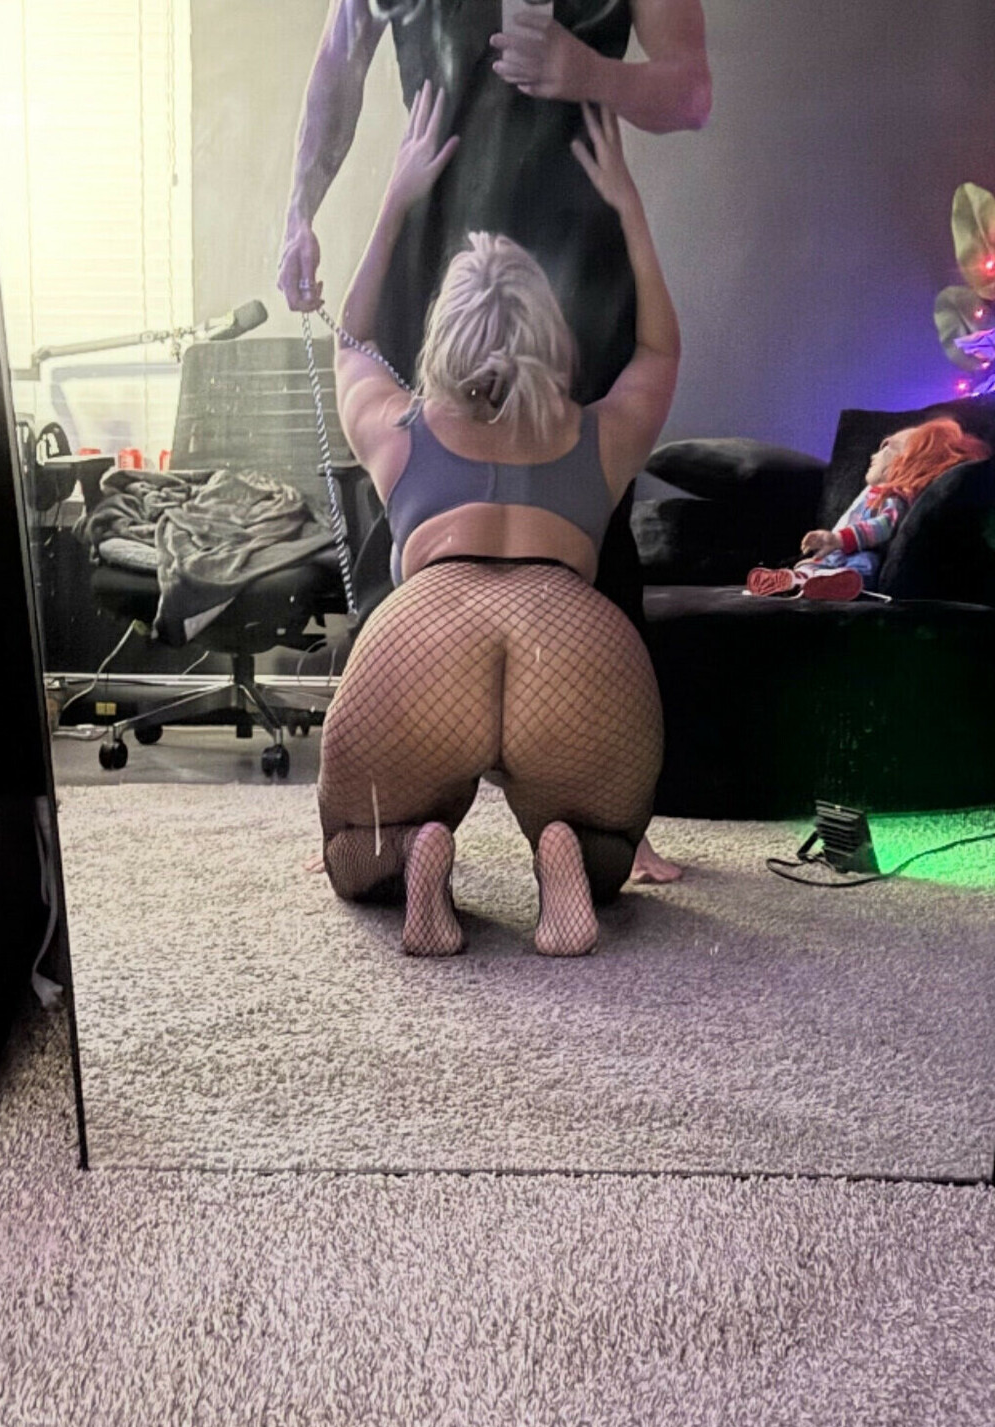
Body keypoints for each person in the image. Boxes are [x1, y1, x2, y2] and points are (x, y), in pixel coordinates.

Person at [279, 0, 710, 884]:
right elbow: (337, 64)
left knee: (600, 525)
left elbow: (689, 93)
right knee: (399, 526)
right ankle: (393, 803)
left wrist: (588, 72)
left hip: (576, 258)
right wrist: (298, 213)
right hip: (435, 245)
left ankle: (605, 811)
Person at [746, 418, 991, 601]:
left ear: (908, 461)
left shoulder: (894, 497)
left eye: (888, 448)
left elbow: (883, 526)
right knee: (810, 565)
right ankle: (797, 580)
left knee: (864, 567)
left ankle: (828, 584)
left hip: (859, 552)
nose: (874, 454)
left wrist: (838, 539)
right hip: (837, 553)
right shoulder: (871, 493)